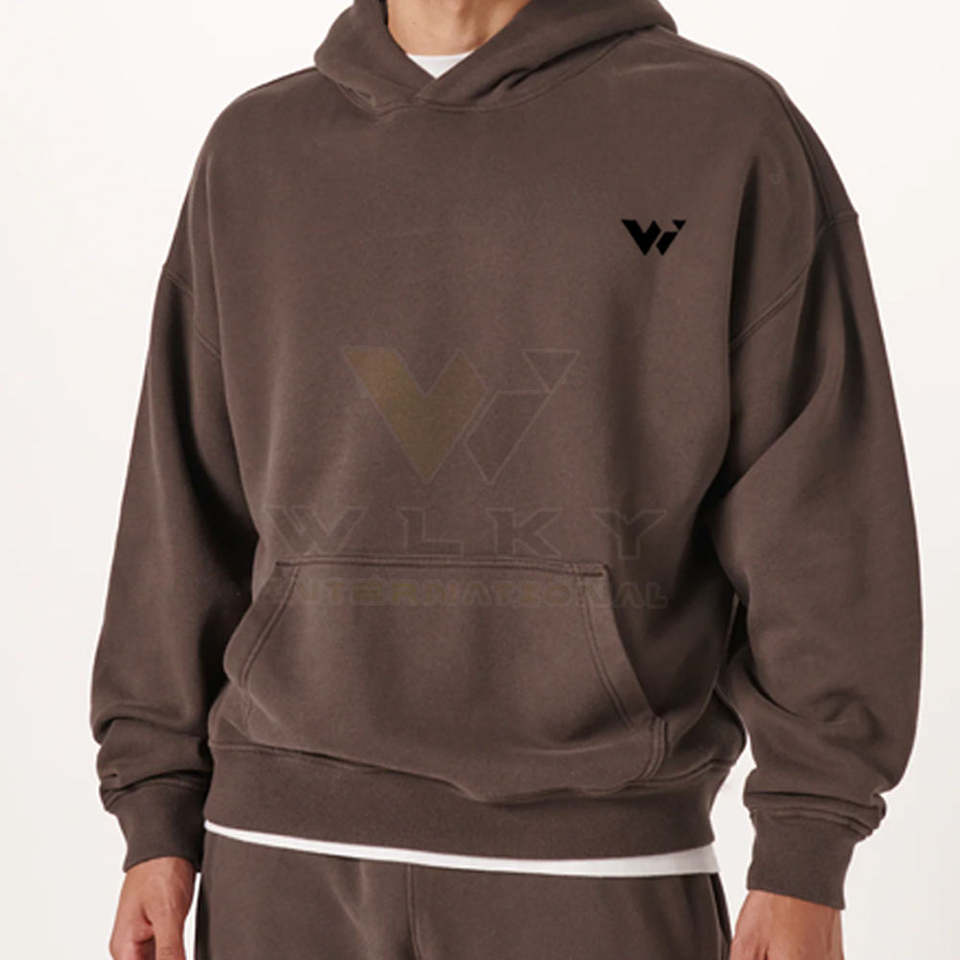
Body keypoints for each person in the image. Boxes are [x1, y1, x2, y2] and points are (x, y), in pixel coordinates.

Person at [91, 1, 922, 958]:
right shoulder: (257, 150)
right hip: (278, 864)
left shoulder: (721, 129)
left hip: (596, 865)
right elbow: (181, 503)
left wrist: (807, 846)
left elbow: (821, 509)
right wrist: (155, 814)